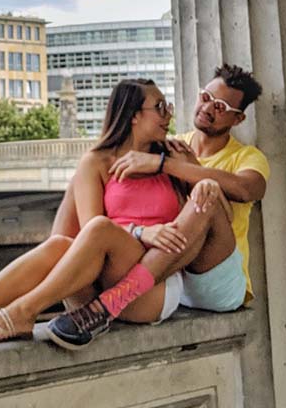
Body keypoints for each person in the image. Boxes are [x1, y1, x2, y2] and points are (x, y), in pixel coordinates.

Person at [0, 78, 211, 342]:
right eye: (160, 107)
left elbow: (210, 199)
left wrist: (178, 165)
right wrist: (141, 231)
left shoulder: (172, 156)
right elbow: (88, 235)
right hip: (95, 291)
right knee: (63, 243)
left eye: (168, 106)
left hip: (150, 291)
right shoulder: (96, 162)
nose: (168, 114)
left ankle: (23, 311)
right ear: (133, 115)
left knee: (98, 228)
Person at [44, 63, 267, 348]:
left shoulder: (245, 156)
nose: (209, 108)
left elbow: (247, 189)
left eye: (221, 107)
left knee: (206, 192)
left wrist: (167, 165)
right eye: (206, 97)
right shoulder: (172, 144)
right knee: (80, 179)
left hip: (212, 276)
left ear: (238, 119)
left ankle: (106, 306)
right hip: (168, 274)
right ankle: (56, 292)